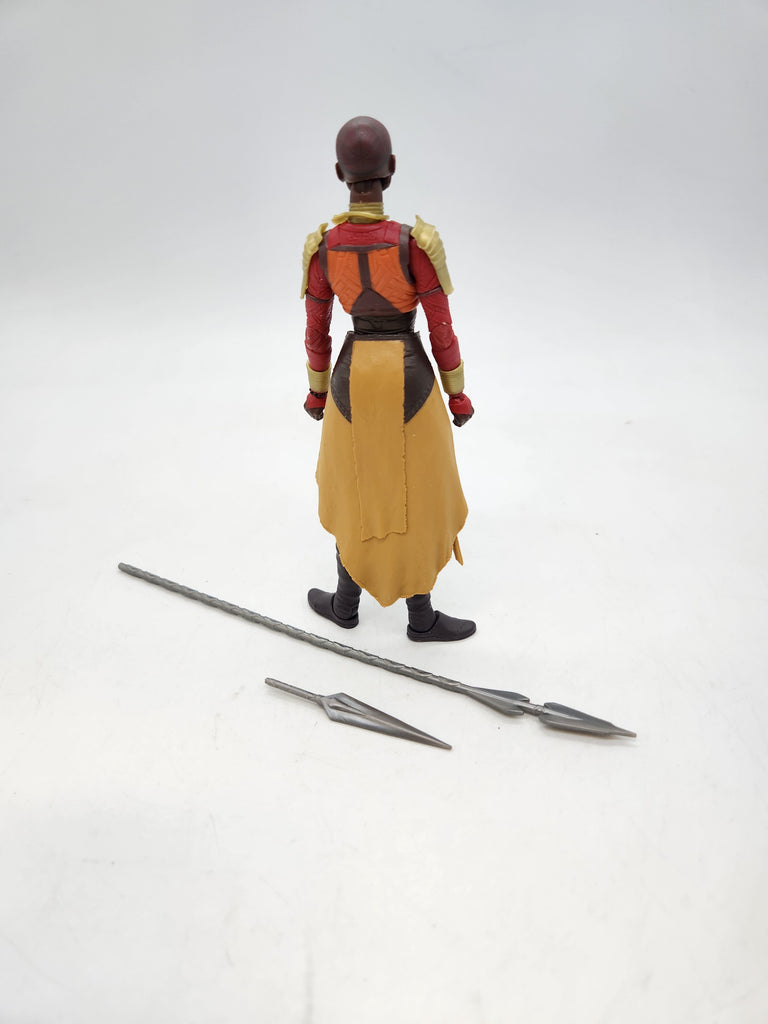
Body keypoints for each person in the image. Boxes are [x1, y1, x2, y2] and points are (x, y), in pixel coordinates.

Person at [301, 115, 475, 642]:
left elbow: (316, 332)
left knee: (355, 492)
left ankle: (345, 605)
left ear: (340, 173)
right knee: (416, 496)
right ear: (391, 169)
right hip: (411, 378)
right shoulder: (415, 244)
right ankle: (421, 618)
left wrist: (316, 393)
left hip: (350, 380)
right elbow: (441, 329)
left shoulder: (323, 248)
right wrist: (457, 395)